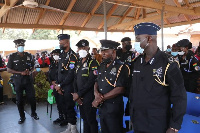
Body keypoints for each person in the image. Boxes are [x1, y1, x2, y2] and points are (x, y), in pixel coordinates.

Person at [129, 22, 187, 133]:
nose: (136, 43)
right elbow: (133, 91)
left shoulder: (169, 64)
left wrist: (174, 125)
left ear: (149, 38)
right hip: (138, 121)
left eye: (138, 39)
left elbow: (179, 97)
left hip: (157, 123)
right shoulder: (137, 62)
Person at [92, 40, 129, 133]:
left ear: (113, 51)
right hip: (102, 107)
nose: (103, 53)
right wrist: (96, 93)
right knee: (104, 130)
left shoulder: (122, 67)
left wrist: (101, 98)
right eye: (102, 51)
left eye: (106, 51)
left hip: (113, 107)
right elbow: (96, 81)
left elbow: (120, 89)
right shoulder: (101, 65)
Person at [7, 39, 39, 124]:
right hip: (18, 80)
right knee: (19, 100)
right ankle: (22, 116)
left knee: (32, 98)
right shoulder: (12, 56)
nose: (21, 47)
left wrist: (30, 71)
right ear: (16, 47)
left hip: (28, 80)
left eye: (22, 46)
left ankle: (33, 113)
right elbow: (9, 69)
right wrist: (20, 72)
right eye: (19, 46)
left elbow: (32, 66)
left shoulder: (28, 55)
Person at [72, 39, 99, 133]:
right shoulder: (78, 62)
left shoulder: (93, 63)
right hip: (79, 96)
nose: (81, 49)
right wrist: (76, 94)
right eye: (80, 48)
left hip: (89, 96)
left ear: (88, 48)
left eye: (84, 47)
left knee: (91, 119)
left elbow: (91, 81)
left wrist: (79, 94)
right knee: (84, 119)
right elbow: (75, 78)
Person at [55, 34, 78, 133]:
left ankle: (73, 128)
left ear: (67, 43)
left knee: (69, 106)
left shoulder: (72, 56)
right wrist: (57, 84)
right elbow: (59, 71)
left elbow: (71, 74)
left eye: (62, 43)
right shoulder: (62, 55)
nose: (60, 44)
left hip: (69, 86)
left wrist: (61, 85)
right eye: (59, 43)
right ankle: (69, 127)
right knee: (64, 106)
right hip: (61, 86)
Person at [48, 49, 65, 125]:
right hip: (54, 85)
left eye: (57, 54)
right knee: (58, 102)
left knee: (62, 102)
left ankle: (65, 118)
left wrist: (58, 84)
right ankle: (60, 116)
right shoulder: (52, 64)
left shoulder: (63, 63)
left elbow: (64, 75)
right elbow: (49, 75)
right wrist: (51, 82)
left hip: (61, 86)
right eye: (54, 54)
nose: (55, 56)